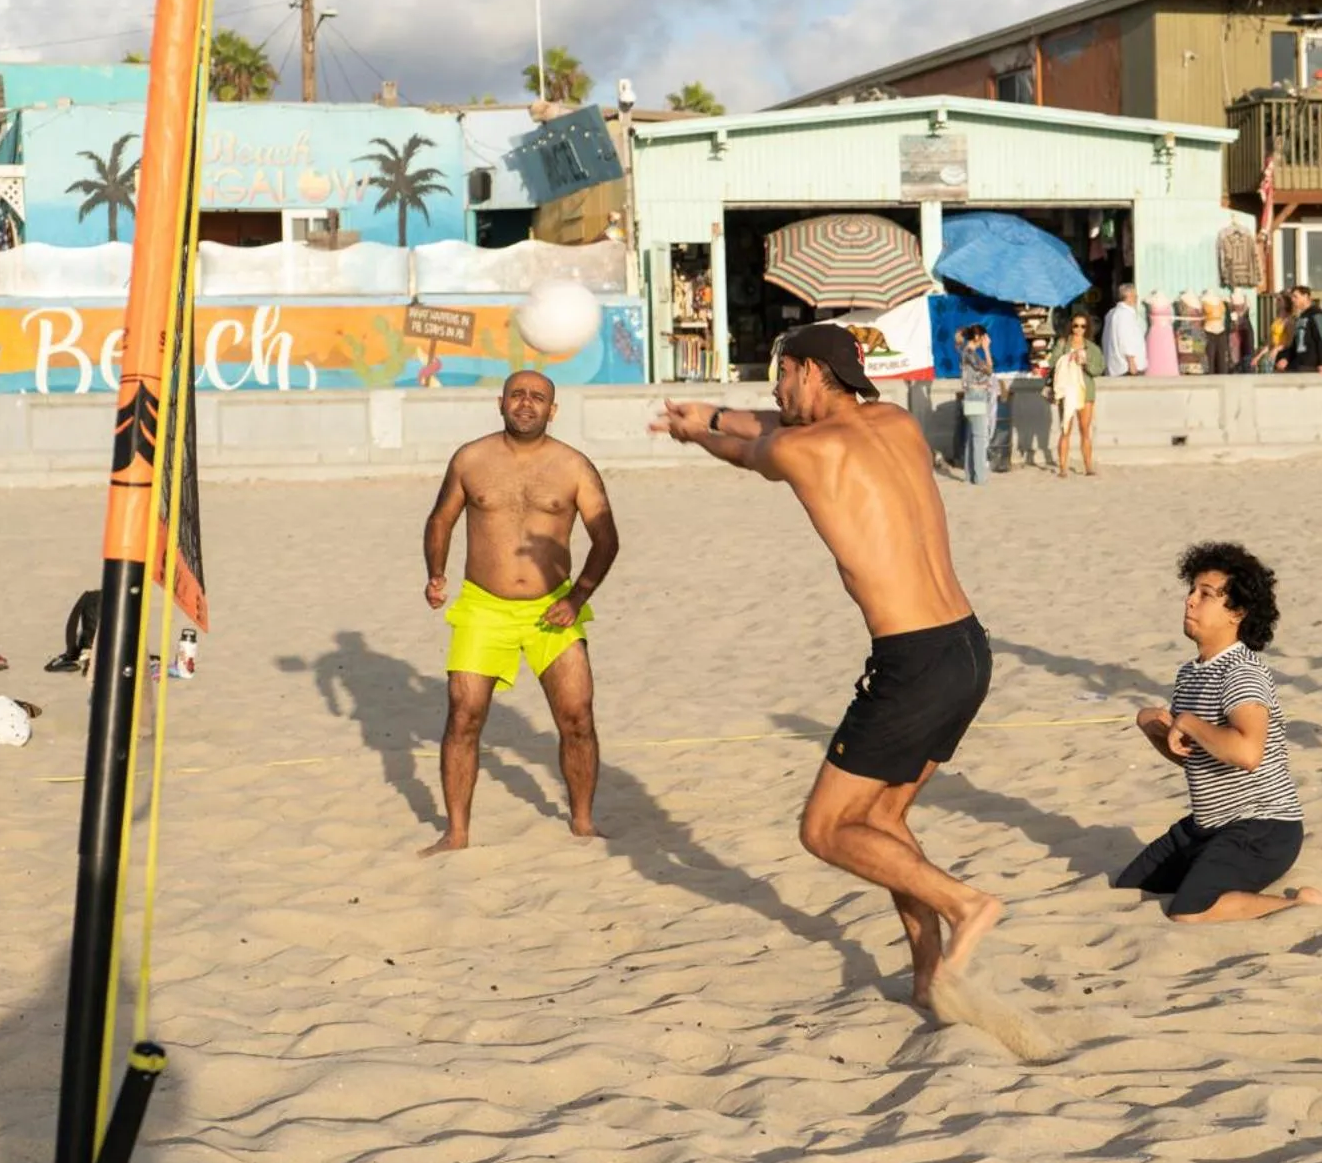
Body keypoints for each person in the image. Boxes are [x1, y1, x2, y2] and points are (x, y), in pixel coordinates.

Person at [651, 322, 1002, 1007]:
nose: (775, 390)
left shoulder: (800, 447)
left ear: (810, 371)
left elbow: (754, 445)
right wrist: (714, 415)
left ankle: (965, 903)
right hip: (966, 648)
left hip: (910, 662)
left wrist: (699, 430)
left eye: (781, 375)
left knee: (825, 829)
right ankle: (932, 975)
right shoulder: (895, 421)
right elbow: (769, 426)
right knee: (881, 822)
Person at [421, 370, 620, 855]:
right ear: (501, 403)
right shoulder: (471, 458)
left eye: (538, 398)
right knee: (464, 716)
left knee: (577, 716)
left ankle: (583, 822)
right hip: (482, 609)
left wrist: (577, 599)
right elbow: (441, 518)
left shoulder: (573, 466)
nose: (526, 403)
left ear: (553, 410)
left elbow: (607, 539)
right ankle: (457, 833)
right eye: (518, 395)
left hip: (555, 609)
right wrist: (436, 572)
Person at [1117, 542, 1322, 922]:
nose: (1190, 602)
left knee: (1189, 912)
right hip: (1206, 825)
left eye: (1206, 595)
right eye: (1191, 591)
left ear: (1237, 612)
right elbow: (1192, 758)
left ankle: (1300, 906)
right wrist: (1153, 726)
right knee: (1131, 887)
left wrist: (1189, 723)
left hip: (1263, 827)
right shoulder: (1190, 673)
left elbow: (1248, 753)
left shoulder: (1241, 673)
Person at [1045, 314, 1103, 478]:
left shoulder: (1091, 347)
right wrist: (1066, 358)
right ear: (1071, 326)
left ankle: (1088, 466)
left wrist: (1085, 363)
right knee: (1065, 429)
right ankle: (1063, 468)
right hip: (1067, 390)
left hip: (1085, 391)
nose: (1079, 329)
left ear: (1087, 328)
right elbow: (1051, 363)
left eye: (1083, 326)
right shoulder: (1063, 343)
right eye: (1076, 325)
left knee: (1085, 430)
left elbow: (1098, 369)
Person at [956, 324, 996, 485]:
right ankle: (980, 477)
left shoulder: (965, 351)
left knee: (971, 436)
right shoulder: (971, 353)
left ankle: (970, 475)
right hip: (976, 395)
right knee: (979, 437)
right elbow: (989, 369)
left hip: (971, 394)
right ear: (979, 337)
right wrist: (987, 349)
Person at [1275, 285, 1322, 372]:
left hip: (1310, 364)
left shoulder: (1317, 314)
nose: (1292, 300)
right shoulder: (1301, 316)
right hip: (1297, 363)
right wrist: (1285, 358)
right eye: (1292, 297)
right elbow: (1295, 342)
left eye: (1295, 297)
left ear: (1306, 296)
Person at [1102, 283, 1146, 376]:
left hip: (1115, 366)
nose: (1136, 298)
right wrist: (1131, 362)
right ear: (1129, 296)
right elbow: (1125, 339)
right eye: (1135, 296)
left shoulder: (1111, 313)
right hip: (1126, 367)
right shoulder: (1125, 314)